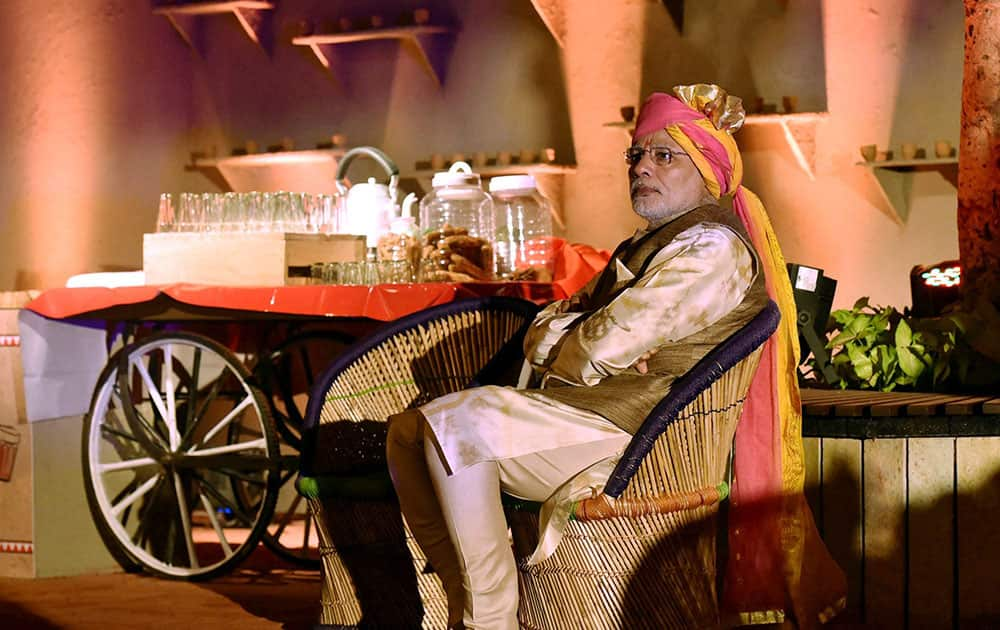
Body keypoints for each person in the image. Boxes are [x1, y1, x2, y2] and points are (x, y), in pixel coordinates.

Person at [387, 84, 845, 629]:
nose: (641, 167)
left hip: (642, 436)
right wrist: (579, 332)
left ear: (706, 168)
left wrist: (581, 334)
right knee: (408, 432)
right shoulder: (654, 243)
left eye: (663, 155)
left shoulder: (712, 249)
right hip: (586, 414)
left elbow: (599, 347)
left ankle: (492, 621)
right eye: (636, 155)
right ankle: (461, 608)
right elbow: (569, 331)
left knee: (456, 425)